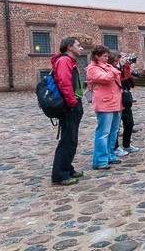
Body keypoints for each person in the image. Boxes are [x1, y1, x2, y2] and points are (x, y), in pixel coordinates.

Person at [51, 37, 85, 186]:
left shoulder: (69, 61)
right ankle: (60, 175)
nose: (81, 48)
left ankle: (67, 168)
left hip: (73, 103)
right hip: (69, 105)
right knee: (67, 141)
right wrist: (72, 103)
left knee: (72, 139)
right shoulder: (64, 61)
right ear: (70, 47)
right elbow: (64, 83)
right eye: (78, 45)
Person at [86, 45, 122, 170]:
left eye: (107, 56)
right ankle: (100, 160)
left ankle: (110, 156)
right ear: (96, 56)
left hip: (116, 103)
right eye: (104, 56)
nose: (107, 58)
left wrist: (125, 67)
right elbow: (106, 78)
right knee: (103, 133)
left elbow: (122, 77)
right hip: (104, 104)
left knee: (113, 132)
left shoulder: (109, 67)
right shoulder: (92, 69)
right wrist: (117, 68)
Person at [115, 52, 141, 156]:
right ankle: (115, 147)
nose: (126, 59)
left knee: (129, 123)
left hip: (125, 98)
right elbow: (119, 78)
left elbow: (127, 77)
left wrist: (127, 67)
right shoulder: (114, 67)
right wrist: (121, 66)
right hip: (116, 99)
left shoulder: (126, 67)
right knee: (116, 126)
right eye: (123, 57)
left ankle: (126, 144)